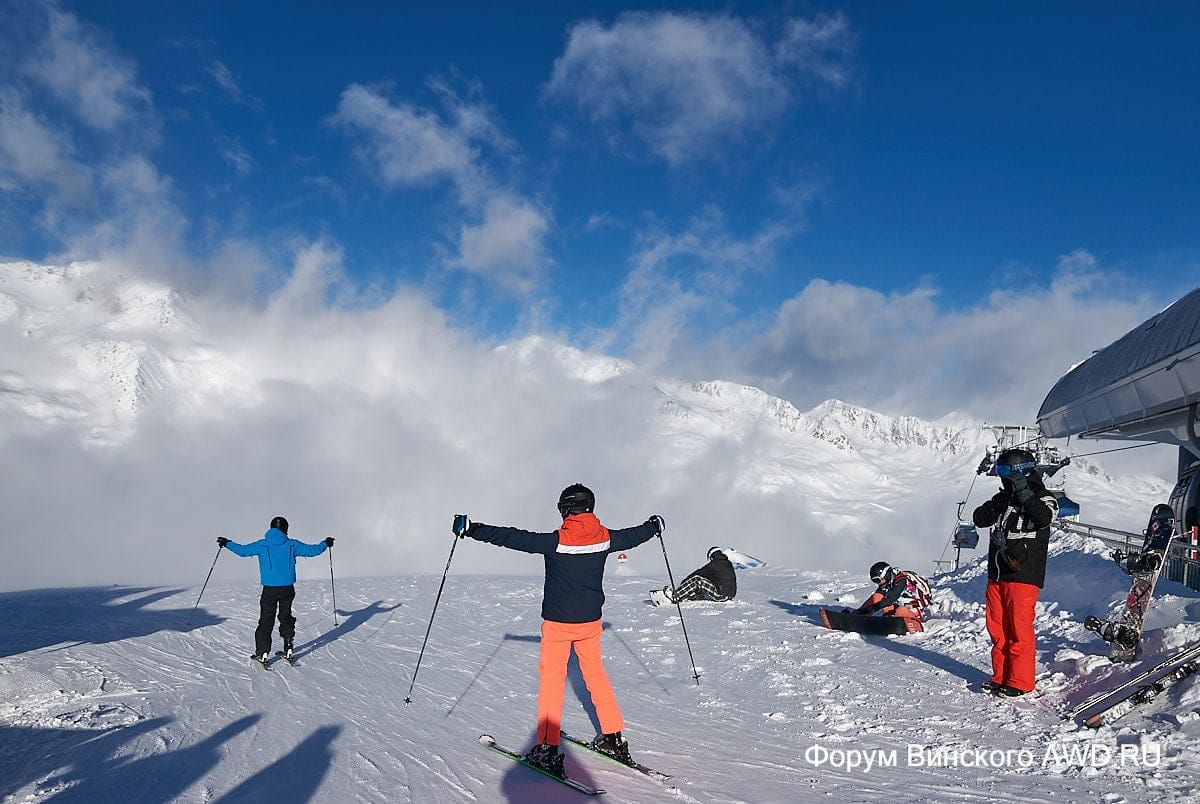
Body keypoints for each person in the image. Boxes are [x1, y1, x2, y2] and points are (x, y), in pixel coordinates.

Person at [454, 483, 662, 778]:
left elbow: (512, 538)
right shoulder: (605, 539)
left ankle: (548, 749)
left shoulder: (557, 541)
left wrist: (472, 528)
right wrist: (653, 526)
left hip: (558, 625)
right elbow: (634, 536)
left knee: (552, 681)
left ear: (566, 509)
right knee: (596, 675)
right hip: (590, 623)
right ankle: (613, 739)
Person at [972, 448, 1057, 698]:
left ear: (1022, 471)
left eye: (1006, 471)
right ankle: (1001, 676)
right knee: (998, 629)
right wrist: (1001, 500)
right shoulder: (1005, 500)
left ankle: (1020, 681)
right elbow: (980, 519)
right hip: (998, 572)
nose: (1002, 476)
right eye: (1000, 472)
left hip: (1023, 573)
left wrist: (1024, 493)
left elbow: (1044, 518)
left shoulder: (1042, 497)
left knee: (1019, 629)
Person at [218, 516, 334, 664]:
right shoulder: (292, 545)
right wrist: (326, 543)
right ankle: (289, 647)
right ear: (285, 528)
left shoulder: (262, 545)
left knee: (266, 620)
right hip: (287, 589)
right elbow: (313, 551)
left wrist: (227, 543)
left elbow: (243, 551)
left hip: (270, 589)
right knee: (286, 617)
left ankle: (263, 652)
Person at [849, 562, 931, 632]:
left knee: (899, 609)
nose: (877, 583)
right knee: (877, 596)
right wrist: (864, 610)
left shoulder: (902, 580)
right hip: (898, 606)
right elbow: (878, 597)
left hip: (913, 613)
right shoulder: (887, 583)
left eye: (877, 580)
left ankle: (891, 621)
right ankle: (857, 616)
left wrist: (872, 608)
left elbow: (891, 599)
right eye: (874, 581)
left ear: (886, 575)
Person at [650, 547, 736, 605]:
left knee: (697, 580)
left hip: (722, 595)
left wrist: (685, 581)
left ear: (711, 556)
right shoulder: (725, 563)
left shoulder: (716, 564)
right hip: (727, 594)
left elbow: (699, 573)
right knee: (703, 585)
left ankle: (675, 596)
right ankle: (688, 597)